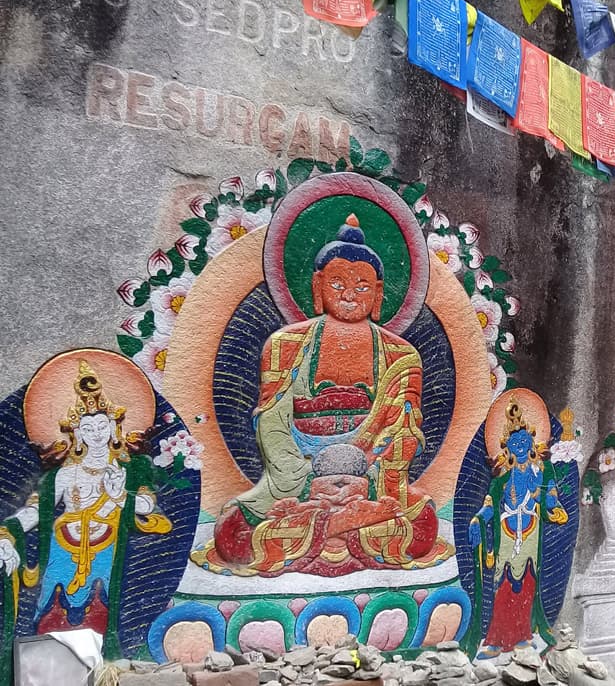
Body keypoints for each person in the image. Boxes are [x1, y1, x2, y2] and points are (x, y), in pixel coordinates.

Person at [196, 214, 452, 577]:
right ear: (317, 286)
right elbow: (272, 423)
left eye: (362, 286)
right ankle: (346, 526)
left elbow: (402, 432)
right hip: (296, 478)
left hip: (371, 479)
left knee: (424, 523)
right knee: (231, 533)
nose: (349, 295)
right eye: (337, 283)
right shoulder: (286, 345)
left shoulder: (401, 356)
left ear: (379, 292)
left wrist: (364, 479)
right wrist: (309, 481)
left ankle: (327, 528)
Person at [0, 361, 170, 646]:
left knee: (100, 609)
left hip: (106, 546)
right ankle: (51, 664)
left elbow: (145, 506)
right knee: (51, 611)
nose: (96, 432)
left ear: (114, 428)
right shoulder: (65, 474)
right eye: (88, 427)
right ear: (77, 434)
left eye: (102, 425)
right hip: (63, 547)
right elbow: (36, 511)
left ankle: (99, 662)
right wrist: (6, 535)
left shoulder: (130, 469)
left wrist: (118, 496)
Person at [468, 398, 568, 658]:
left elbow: (550, 496)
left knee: (526, 584)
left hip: (531, 532)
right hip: (507, 534)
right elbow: (490, 505)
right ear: (507, 448)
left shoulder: (540, 472)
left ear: (532, 443)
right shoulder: (502, 478)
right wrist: (478, 520)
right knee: (502, 587)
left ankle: (523, 636)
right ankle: (495, 641)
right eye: (515, 443)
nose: (521, 445)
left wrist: (553, 506)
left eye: (525, 440)